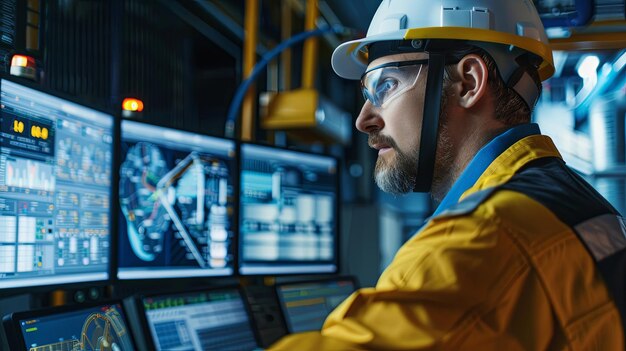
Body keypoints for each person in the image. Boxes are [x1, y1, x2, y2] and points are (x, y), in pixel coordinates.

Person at [269, 0, 626, 350]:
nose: (364, 119)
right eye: (368, 93)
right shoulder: (570, 199)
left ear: (468, 83)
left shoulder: (481, 238)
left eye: (386, 85)